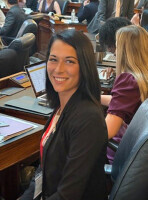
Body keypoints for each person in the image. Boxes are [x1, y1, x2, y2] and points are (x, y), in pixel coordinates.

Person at [20, 29, 108, 200]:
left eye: (69, 61)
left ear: (84, 66)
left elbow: (69, 195)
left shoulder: (88, 119)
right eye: (53, 59)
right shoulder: (62, 107)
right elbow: (43, 171)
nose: (58, 69)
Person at [101, 25, 148, 164]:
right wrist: (92, 97)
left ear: (124, 50)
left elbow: (107, 131)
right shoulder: (141, 78)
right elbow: (121, 101)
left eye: (116, 47)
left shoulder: (128, 80)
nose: (115, 53)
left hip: (120, 156)